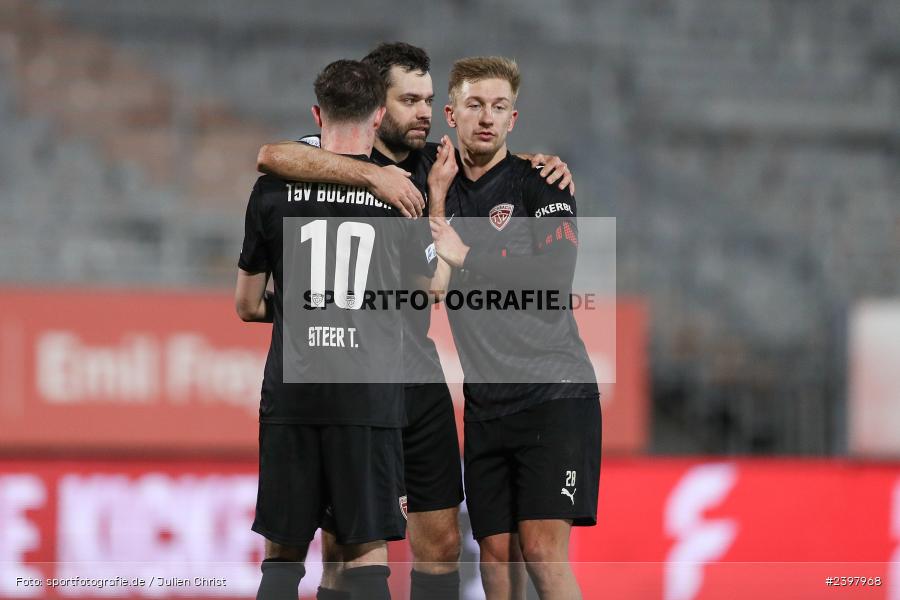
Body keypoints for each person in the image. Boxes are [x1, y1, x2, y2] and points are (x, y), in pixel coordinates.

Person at [254, 42, 575, 600]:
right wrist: (372, 179)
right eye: (410, 100)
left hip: (416, 371)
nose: (425, 112)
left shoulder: (436, 165)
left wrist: (542, 165)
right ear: (377, 107)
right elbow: (271, 155)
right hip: (350, 375)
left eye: (430, 100)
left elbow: (497, 168)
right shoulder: (333, 157)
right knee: (344, 544)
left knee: (442, 537)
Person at [235, 59, 435, 600]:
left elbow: (247, 305)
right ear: (377, 117)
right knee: (365, 554)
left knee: (282, 555)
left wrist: (304, 307)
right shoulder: (401, 197)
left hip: (292, 396)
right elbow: (423, 294)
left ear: (317, 115)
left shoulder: (270, 192)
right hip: (367, 398)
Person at [428, 56, 602, 600]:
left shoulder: (541, 183)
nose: (487, 117)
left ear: (513, 119)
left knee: (543, 552)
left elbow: (553, 280)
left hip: (553, 393)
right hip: (486, 405)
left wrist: (467, 255)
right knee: (497, 560)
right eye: (475, 105)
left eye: (499, 107)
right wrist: (435, 203)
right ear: (451, 114)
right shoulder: (436, 182)